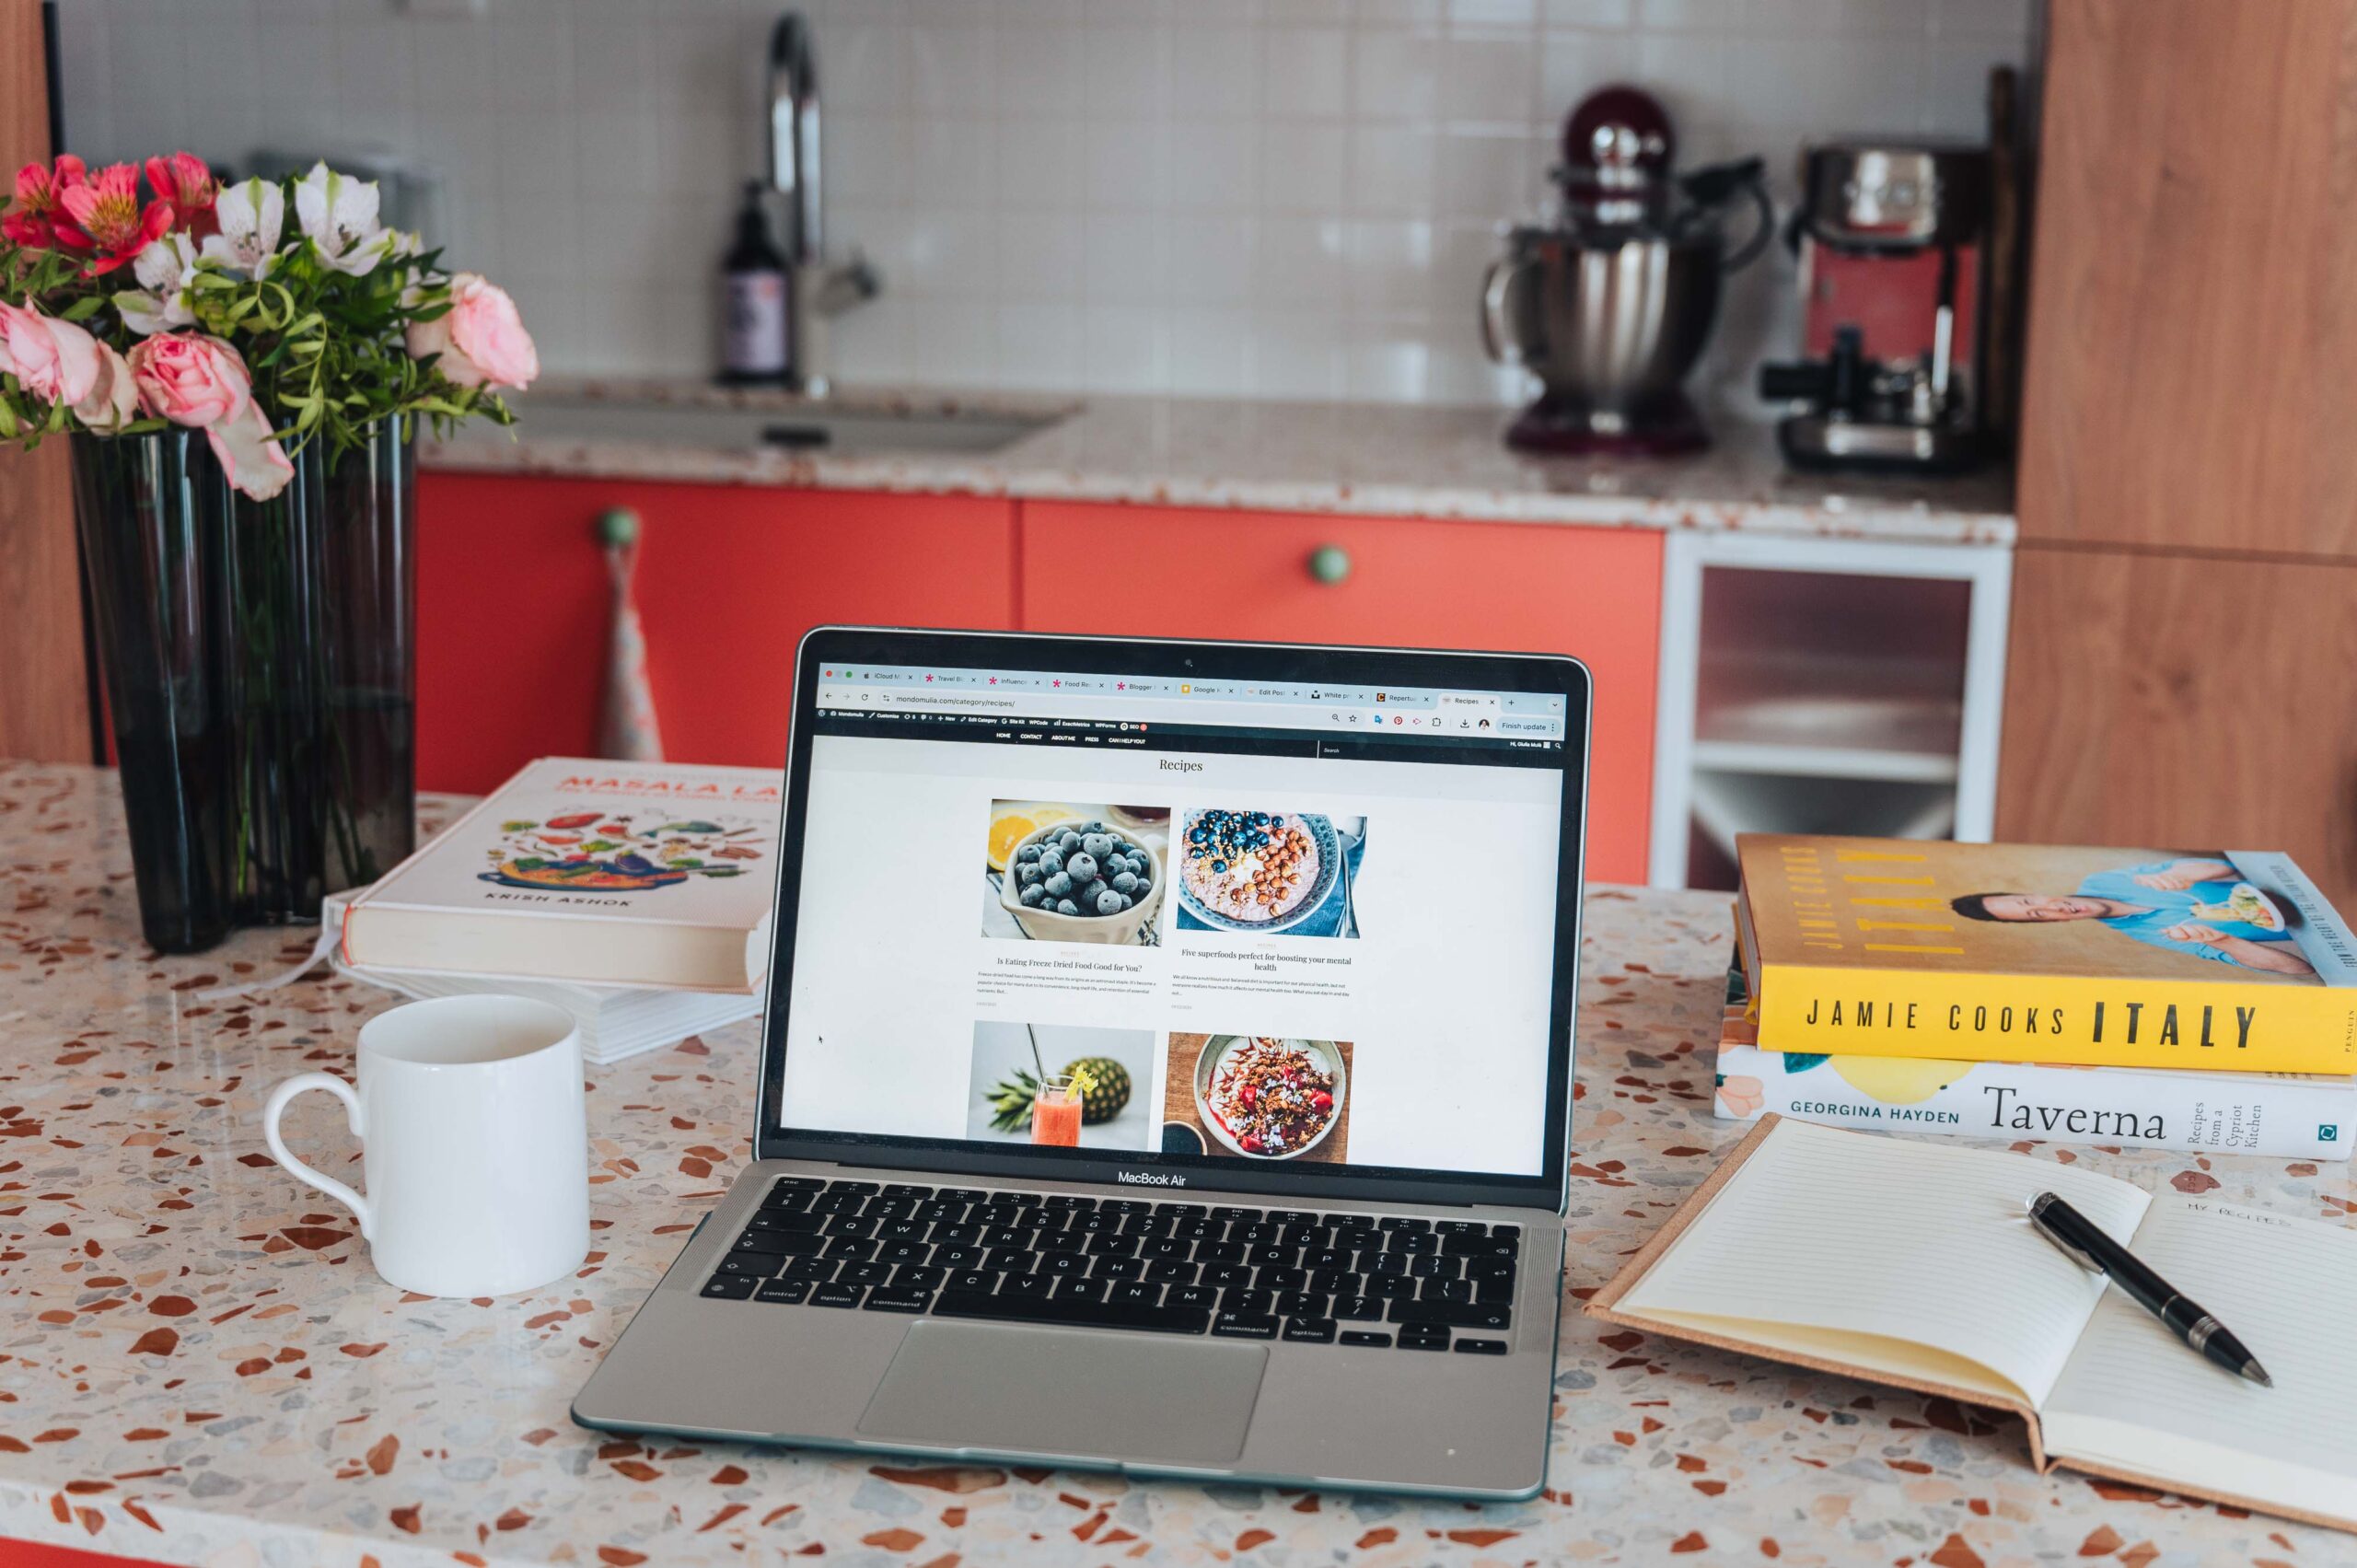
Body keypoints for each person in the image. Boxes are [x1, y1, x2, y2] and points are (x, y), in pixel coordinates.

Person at [1949, 856, 2314, 977]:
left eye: (2032, 901)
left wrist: (2189, 875)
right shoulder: (2143, 934)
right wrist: (2223, 941)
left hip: (2302, 880)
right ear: (2049, 924)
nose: (2051, 908)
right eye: (2036, 916)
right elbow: (2298, 969)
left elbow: (2229, 865)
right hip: (2309, 925)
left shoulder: (2105, 880)